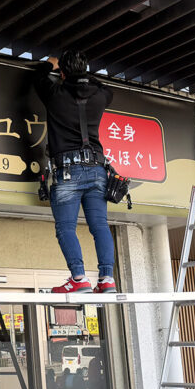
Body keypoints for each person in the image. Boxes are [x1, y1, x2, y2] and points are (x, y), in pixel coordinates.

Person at [33, 50, 116, 294]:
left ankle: (79, 278)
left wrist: (50, 64)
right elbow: (105, 88)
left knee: (66, 227)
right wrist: (82, 75)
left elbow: (37, 77)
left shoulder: (55, 94)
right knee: (100, 225)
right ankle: (107, 279)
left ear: (62, 73)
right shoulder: (100, 96)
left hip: (67, 170)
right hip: (97, 169)